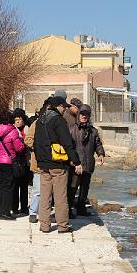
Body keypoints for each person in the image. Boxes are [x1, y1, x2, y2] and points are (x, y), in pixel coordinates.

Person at [34, 96, 82, 233]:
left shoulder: (40, 121)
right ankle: (62, 226)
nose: (65, 109)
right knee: (61, 197)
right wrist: (76, 161)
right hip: (58, 163)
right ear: (58, 106)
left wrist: (39, 160)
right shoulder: (59, 121)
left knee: (45, 196)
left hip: (44, 164)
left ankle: (44, 225)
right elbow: (67, 142)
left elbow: (36, 143)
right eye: (64, 107)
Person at [67, 104, 105, 217]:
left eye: (86, 115)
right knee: (72, 187)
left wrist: (101, 153)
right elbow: (68, 146)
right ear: (79, 115)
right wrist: (71, 161)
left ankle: (81, 209)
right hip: (76, 164)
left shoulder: (93, 131)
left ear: (89, 116)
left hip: (88, 164)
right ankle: (68, 210)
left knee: (85, 188)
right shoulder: (71, 129)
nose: (84, 116)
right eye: (82, 114)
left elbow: (97, 143)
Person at [0, 110, 26, 221]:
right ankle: (5, 212)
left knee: (1, 186)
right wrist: (22, 142)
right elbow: (19, 148)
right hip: (8, 161)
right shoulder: (12, 131)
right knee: (8, 187)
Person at [25, 97, 51, 223]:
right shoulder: (36, 124)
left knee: (49, 191)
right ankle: (33, 212)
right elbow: (28, 140)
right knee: (37, 190)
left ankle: (44, 212)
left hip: (53, 163)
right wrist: (39, 147)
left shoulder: (56, 123)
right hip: (38, 162)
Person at [11, 108, 31, 216]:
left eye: (19, 119)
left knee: (24, 186)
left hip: (26, 161)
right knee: (15, 186)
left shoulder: (28, 129)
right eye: (16, 119)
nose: (18, 121)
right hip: (16, 162)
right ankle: (14, 207)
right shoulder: (12, 130)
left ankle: (24, 207)